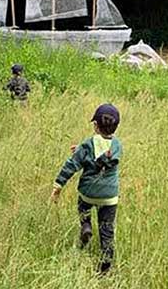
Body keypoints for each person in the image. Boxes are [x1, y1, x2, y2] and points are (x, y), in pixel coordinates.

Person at [50, 103, 123, 274]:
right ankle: (104, 268)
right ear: (115, 127)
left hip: (88, 193)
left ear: (95, 125)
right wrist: (82, 150)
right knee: (107, 230)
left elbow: (71, 165)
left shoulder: (88, 144)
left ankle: (86, 225)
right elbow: (106, 157)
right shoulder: (118, 145)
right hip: (109, 197)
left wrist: (58, 186)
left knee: (83, 206)